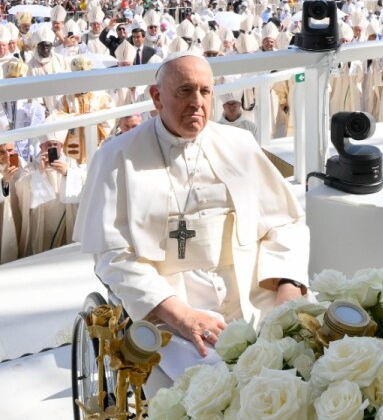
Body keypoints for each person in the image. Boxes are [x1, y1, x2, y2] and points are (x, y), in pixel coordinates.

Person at [75, 53, 309, 375]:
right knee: (213, 381)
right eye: (185, 90)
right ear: (157, 97)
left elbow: (285, 223)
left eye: (205, 91)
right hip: (170, 309)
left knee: (308, 354)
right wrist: (180, 315)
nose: (197, 102)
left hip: (255, 292)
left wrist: (288, 289)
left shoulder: (240, 143)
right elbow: (113, 255)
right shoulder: (117, 156)